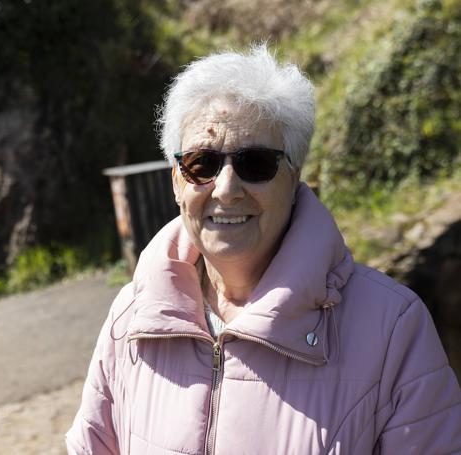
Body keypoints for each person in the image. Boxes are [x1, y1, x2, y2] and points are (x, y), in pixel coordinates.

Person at [66, 45, 461, 454]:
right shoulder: (131, 317)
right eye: (201, 164)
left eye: (256, 164)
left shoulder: (392, 326)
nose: (226, 189)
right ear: (176, 182)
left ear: (294, 178)